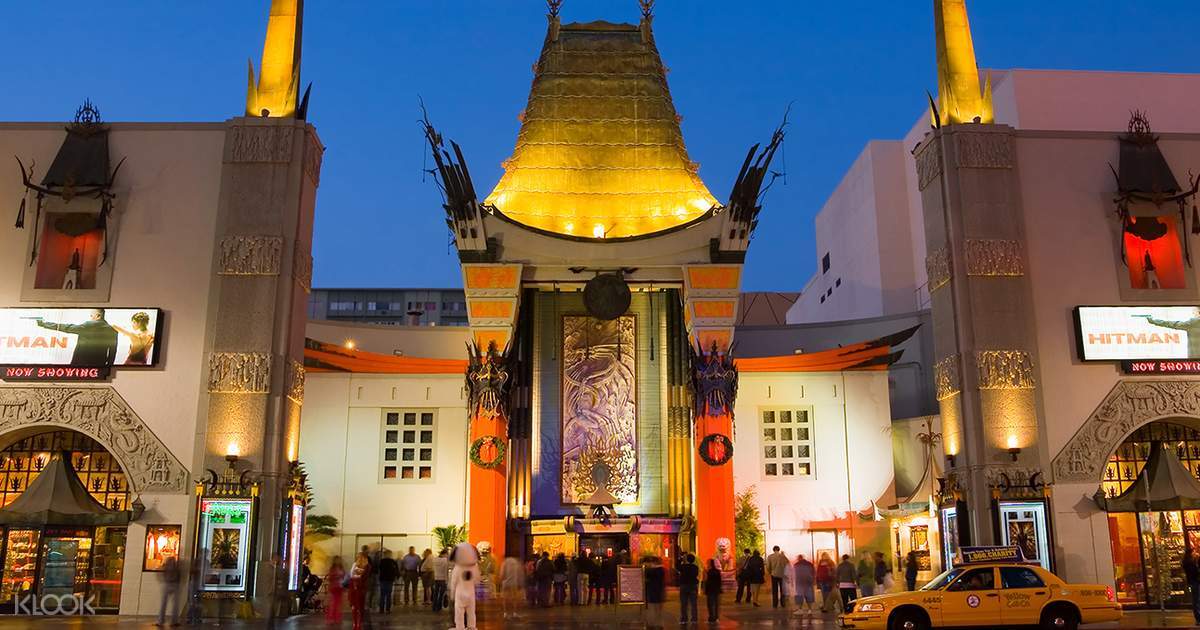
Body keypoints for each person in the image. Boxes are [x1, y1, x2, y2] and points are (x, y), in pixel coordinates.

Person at [35, 308, 118, 366]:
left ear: (98, 316)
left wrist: (44, 324)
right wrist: (107, 368)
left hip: (80, 366)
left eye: (91, 315)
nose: (91, 318)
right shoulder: (113, 331)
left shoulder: (88, 326)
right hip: (99, 368)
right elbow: (112, 354)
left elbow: (67, 328)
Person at [449, 543, 481, 630]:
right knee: (471, 612)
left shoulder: (457, 568)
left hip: (459, 593)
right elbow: (477, 580)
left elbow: (453, 582)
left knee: (459, 612)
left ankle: (460, 627)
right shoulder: (474, 567)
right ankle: (471, 626)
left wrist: (452, 594)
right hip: (471, 593)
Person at [156, 554, 181, 626]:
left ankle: (161, 621)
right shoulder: (176, 568)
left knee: (164, 603)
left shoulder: (165, 567)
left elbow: (160, 573)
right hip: (174, 584)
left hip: (167, 584)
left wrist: (162, 580)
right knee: (174, 604)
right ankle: (174, 621)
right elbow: (179, 576)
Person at [643, 556, 667, 630]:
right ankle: (659, 624)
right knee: (659, 609)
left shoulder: (650, 571)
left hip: (651, 592)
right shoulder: (662, 570)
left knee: (652, 608)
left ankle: (651, 624)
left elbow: (646, 579)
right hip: (659, 592)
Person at [348, 553, 371, 630]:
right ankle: (355, 624)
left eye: (361, 557)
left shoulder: (367, 566)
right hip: (354, 589)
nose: (359, 559)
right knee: (354, 607)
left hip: (360, 589)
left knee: (360, 607)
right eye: (358, 557)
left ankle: (359, 624)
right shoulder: (355, 565)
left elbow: (363, 577)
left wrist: (357, 577)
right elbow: (351, 575)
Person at [498, 554, 525, 618]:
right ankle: (514, 612)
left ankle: (506, 613)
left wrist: (500, 580)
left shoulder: (505, 562)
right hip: (514, 583)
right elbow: (520, 574)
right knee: (514, 598)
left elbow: (502, 574)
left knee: (505, 598)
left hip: (506, 583)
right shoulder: (517, 562)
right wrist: (520, 583)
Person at [678, 552, 700, 623]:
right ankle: (694, 619)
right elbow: (696, 574)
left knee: (684, 604)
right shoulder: (695, 567)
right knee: (693, 603)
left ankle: (684, 619)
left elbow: (677, 567)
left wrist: (681, 560)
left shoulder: (683, 566)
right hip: (693, 585)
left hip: (684, 585)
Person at [326, 556, 346, 624]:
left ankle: (337, 618)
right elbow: (330, 577)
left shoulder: (341, 568)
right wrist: (336, 577)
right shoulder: (332, 568)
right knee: (333, 603)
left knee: (339, 604)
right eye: (337, 560)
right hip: (333, 587)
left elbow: (344, 576)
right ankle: (331, 618)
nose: (338, 561)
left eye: (339, 560)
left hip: (339, 587)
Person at [703, 558, 723, 623]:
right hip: (717, 589)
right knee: (716, 604)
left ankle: (711, 618)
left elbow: (706, 581)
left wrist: (704, 589)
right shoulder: (717, 571)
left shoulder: (708, 572)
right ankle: (716, 617)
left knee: (710, 604)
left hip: (710, 590)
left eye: (708, 563)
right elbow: (720, 581)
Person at [432, 548, 450, 613]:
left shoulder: (435, 559)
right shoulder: (445, 560)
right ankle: (439, 607)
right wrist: (447, 581)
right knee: (441, 594)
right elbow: (445, 571)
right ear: (445, 554)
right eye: (447, 554)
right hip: (443, 579)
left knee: (435, 594)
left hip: (436, 578)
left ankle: (434, 607)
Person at [1186, 550, 1200, 625]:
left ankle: (1198, 617)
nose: (1195, 553)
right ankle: (1198, 618)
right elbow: (1195, 573)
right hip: (1195, 582)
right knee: (1196, 600)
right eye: (1193, 552)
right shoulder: (1190, 563)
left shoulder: (1191, 562)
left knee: (1196, 599)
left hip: (1194, 582)